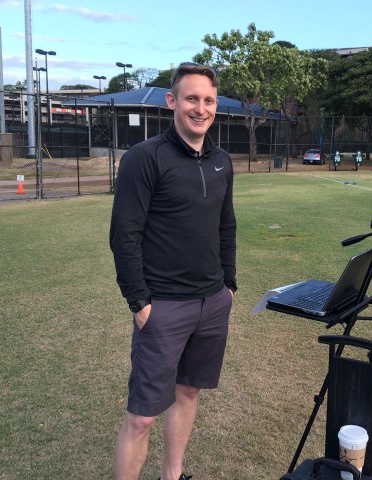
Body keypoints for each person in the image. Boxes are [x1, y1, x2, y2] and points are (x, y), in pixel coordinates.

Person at [109, 62, 237, 480]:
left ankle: (173, 475)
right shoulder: (144, 158)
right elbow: (124, 234)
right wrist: (140, 303)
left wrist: (229, 284)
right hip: (162, 307)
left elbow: (226, 223)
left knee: (189, 391)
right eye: (191, 99)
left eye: (208, 100)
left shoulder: (222, 161)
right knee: (142, 417)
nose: (200, 108)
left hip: (212, 302)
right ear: (172, 102)